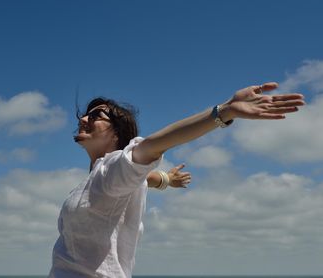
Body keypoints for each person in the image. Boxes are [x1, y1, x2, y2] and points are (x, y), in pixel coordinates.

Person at [49, 82, 305, 278]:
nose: (84, 119)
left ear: (117, 134)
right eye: (85, 115)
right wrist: (164, 180)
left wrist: (223, 112)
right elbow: (138, 180)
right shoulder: (101, 178)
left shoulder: (112, 170)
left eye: (95, 116)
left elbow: (154, 146)